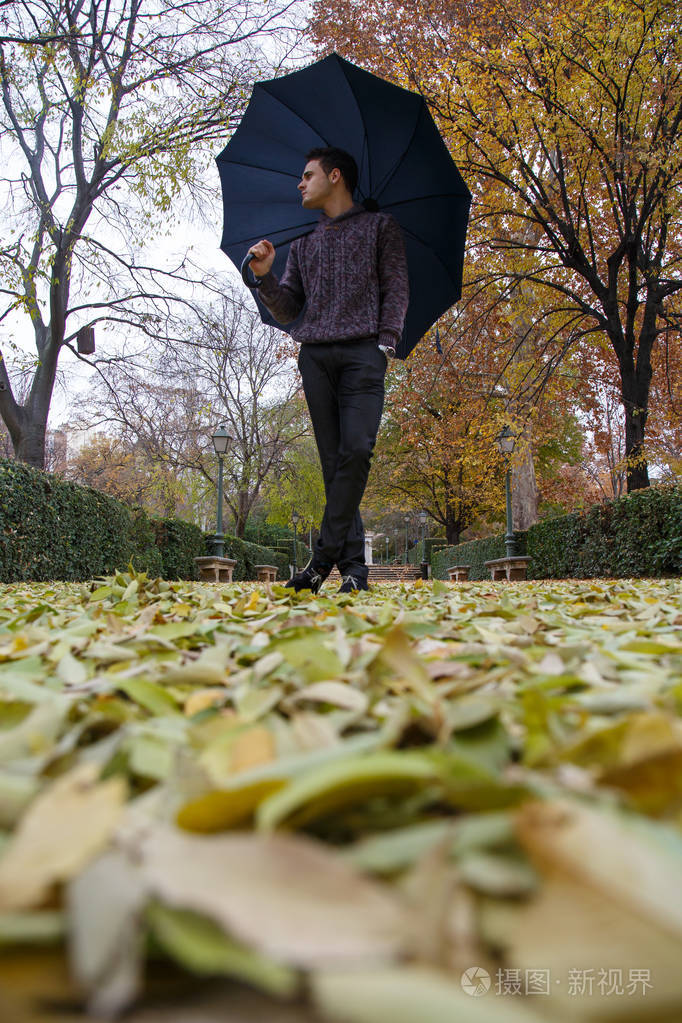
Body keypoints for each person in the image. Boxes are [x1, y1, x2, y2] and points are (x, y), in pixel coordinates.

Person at [247, 147, 409, 593]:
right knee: (334, 466)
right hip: (315, 357)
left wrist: (386, 340)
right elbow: (288, 310)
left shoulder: (380, 227)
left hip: (364, 353)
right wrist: (264, 277)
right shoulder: (303, 240)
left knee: (356, 450)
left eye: (308, 175)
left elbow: (396, 287)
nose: (300, 184)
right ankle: (354, 570)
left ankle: (320, 563)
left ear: (335, 176)